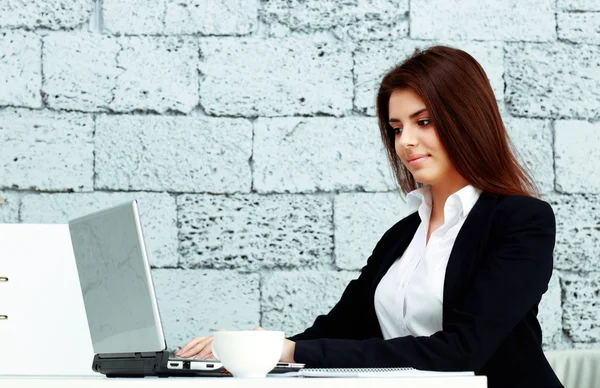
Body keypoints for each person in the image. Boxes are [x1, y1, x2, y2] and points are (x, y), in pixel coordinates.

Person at [176, 46, 562, 388]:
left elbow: (461, 350)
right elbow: (336, 330)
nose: (405, 141)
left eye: (423, 121)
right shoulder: (402, 235)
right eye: (397, 128)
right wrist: (250, 351)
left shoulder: (522, 221)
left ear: (468, 120)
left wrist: (287, 351)